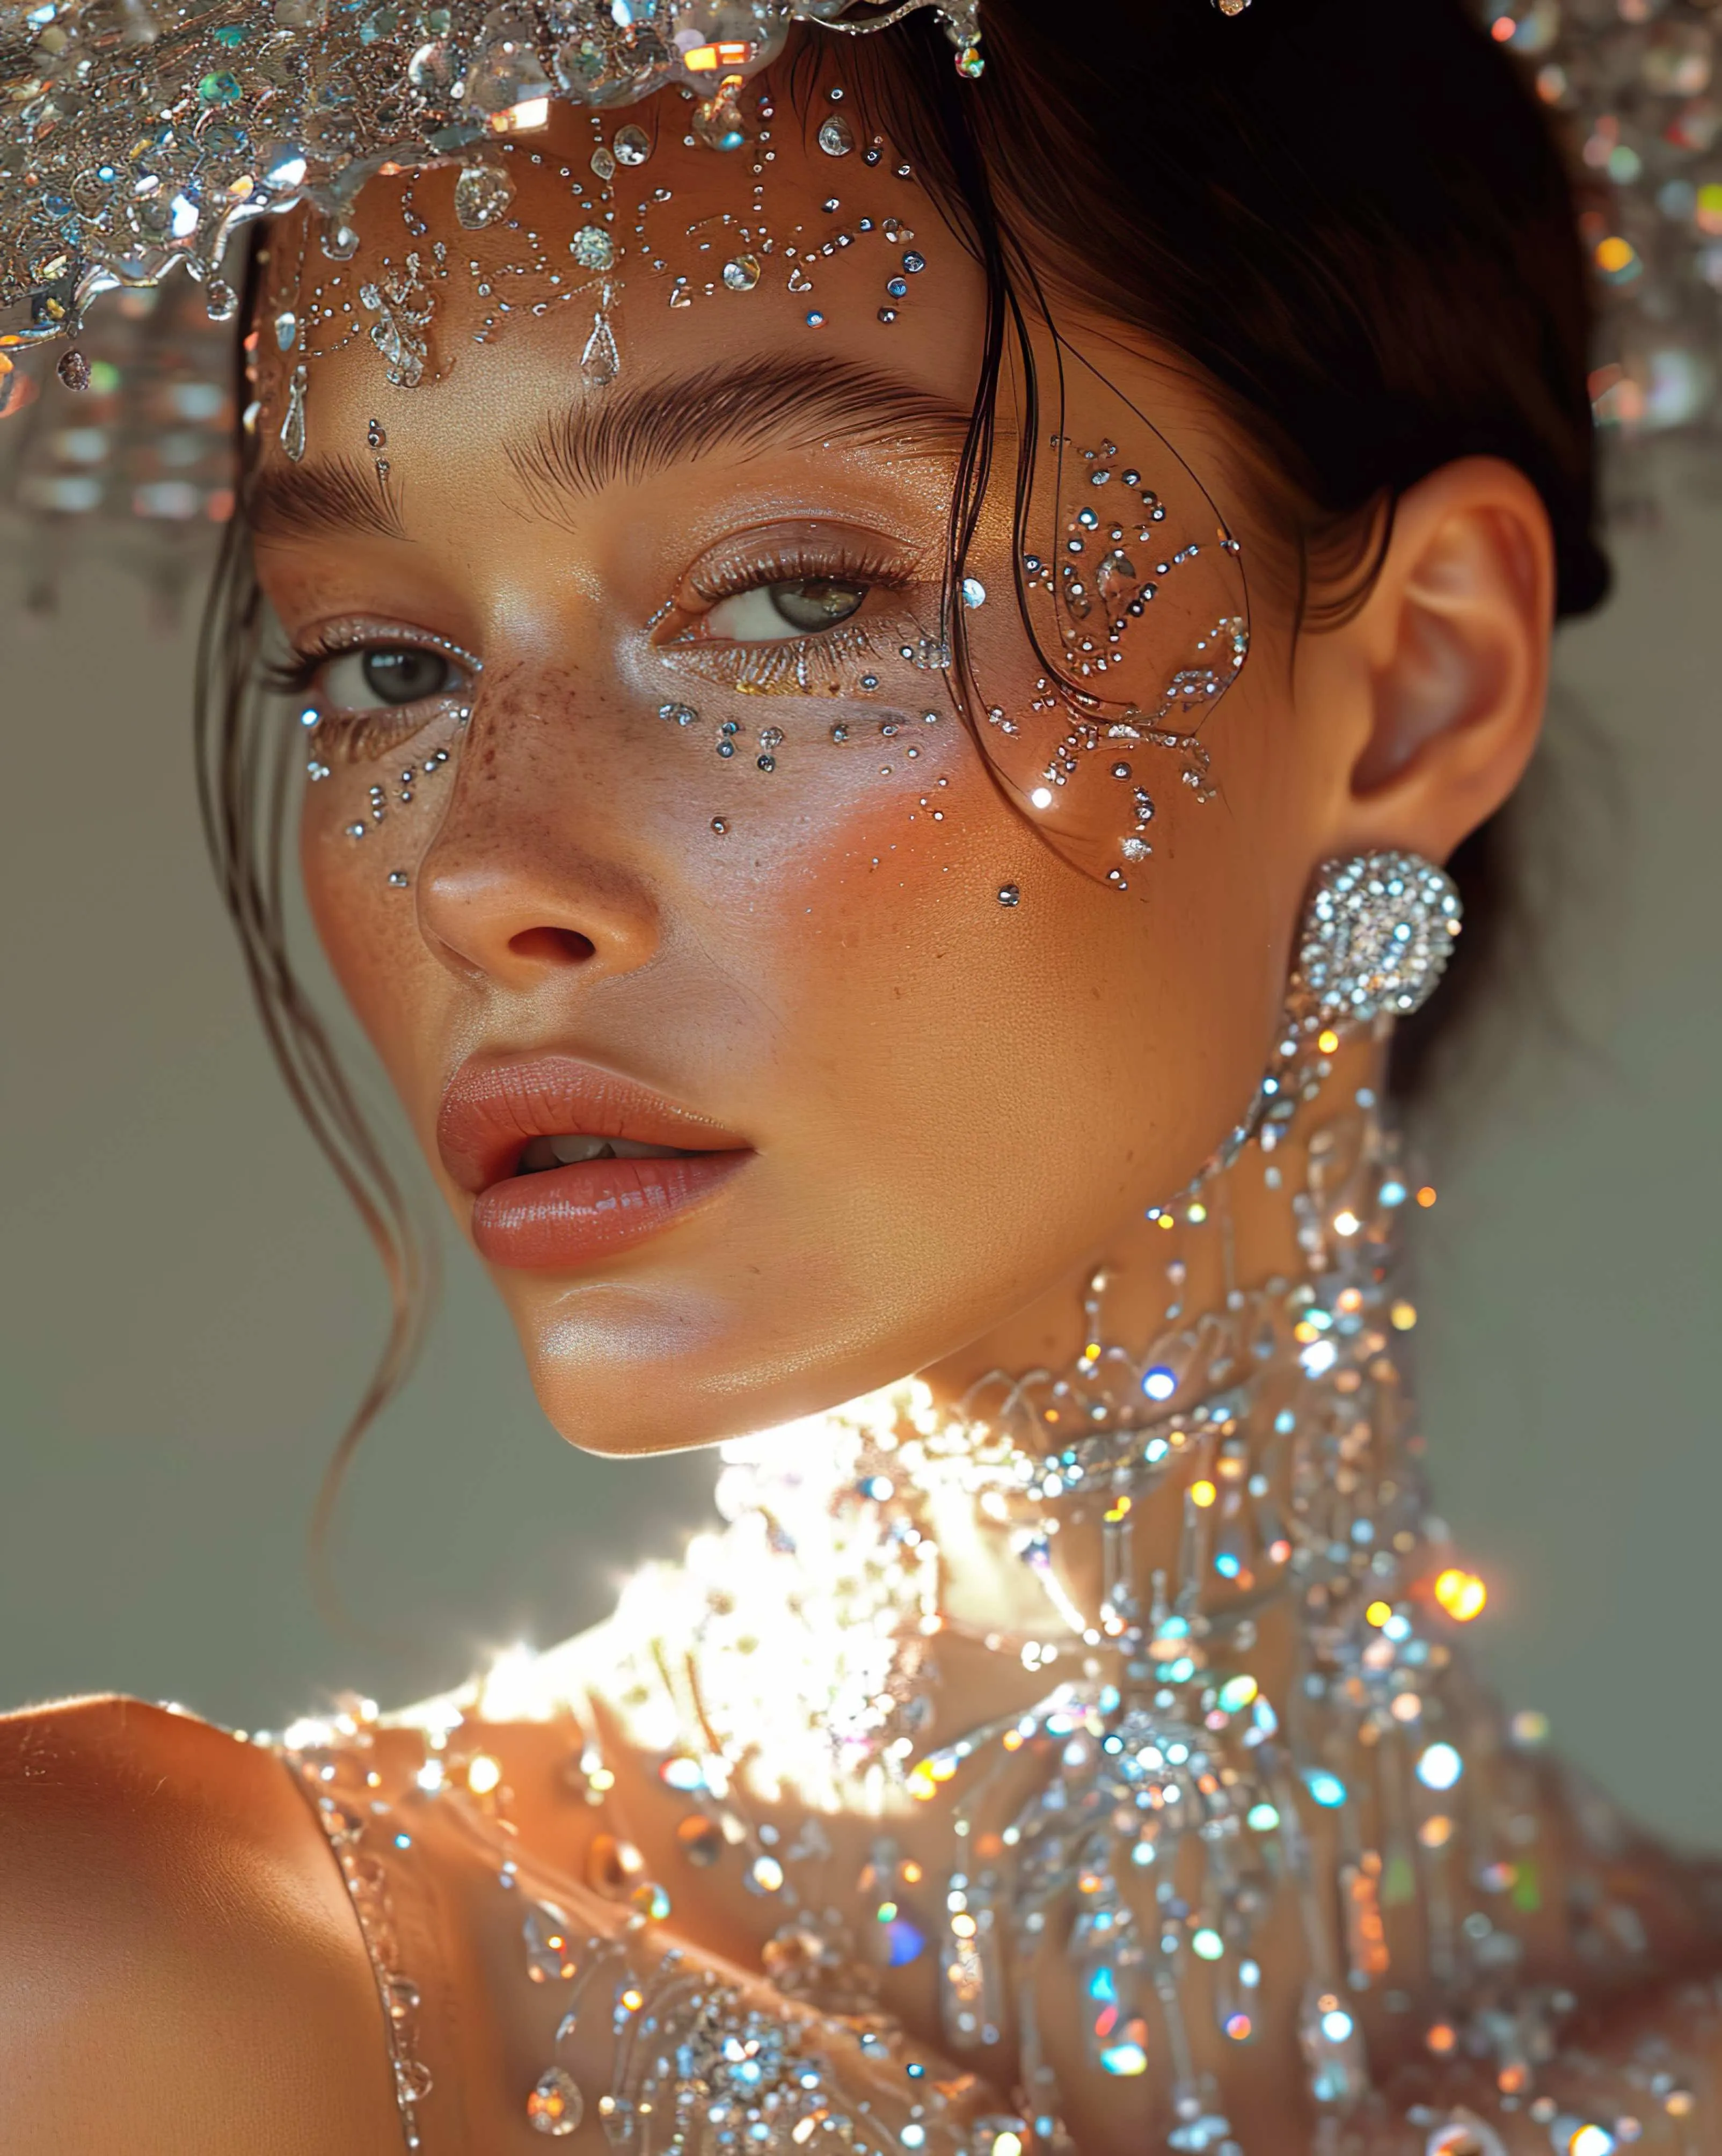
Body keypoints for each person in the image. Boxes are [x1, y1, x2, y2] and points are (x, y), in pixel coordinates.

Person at [3, 1, 1717, 2150]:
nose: (478, 872)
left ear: (1416, 685)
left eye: (794, 596)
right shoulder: (130, 1980)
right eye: (384, 665)